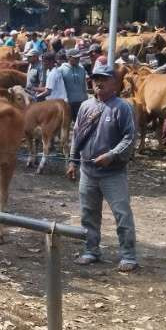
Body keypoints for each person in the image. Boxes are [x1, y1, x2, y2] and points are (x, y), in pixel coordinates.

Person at [67, 65, 138, 272]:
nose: (98, 83)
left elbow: (130, 137)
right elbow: (77, 135)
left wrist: (112, 155)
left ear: (114, 83)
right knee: (88, 213)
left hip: (112, 173)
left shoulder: (122, 107)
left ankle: (128, 255)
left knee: (121, 214)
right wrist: (72, 161)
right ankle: (91, 251)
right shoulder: (85, 107)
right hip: (88, 172)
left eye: (104, 79)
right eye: (95, 79)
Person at [61, 50, 89, 120]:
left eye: (79, 57)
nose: (78, 59)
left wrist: (86, 97)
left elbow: (84, 84)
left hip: (81, 101)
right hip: (68, 102)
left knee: (81, 123)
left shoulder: (82, 69)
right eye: (76, 58)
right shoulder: (61, 70)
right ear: (69, 57)